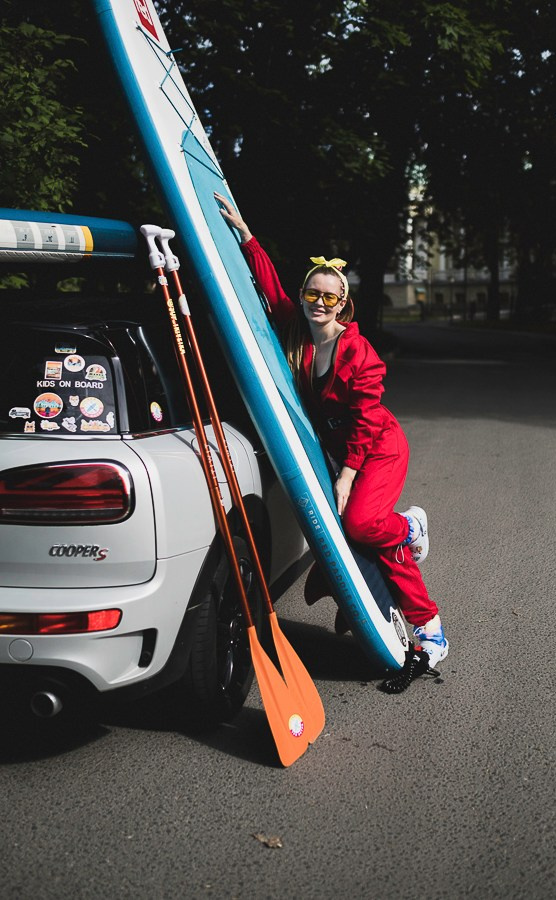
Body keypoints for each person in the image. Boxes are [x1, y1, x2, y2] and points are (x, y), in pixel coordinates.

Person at [215, 192, 448, 669]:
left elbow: (365, 420)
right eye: (312, 294)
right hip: (341, 449)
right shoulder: (298, 330)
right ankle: (406, 587)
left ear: (344, 303)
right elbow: (272, 292)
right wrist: (246, 236)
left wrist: (346, 474)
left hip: (378, 447)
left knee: (364, 524)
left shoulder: (359, 353)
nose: (319, 303)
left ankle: (413, 542)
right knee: (351, 530)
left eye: (329, 297)